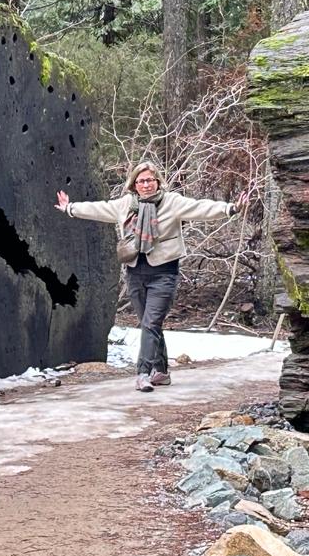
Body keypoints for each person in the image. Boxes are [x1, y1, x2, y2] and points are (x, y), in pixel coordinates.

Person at [56, 160, 238, 392]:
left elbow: (201, 208)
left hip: (164, 273)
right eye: (141, 181)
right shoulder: (125, 205)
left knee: (150, 324)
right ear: (134, 185)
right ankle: (161, 371)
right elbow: (99, 208)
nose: (146, 184)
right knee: (148, 325)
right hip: (135, 273)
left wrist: (229, 208)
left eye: (150, 180)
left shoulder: (172, 202)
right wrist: (71, 208)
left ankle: (143, 373)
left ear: (158, 181)